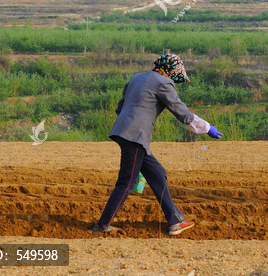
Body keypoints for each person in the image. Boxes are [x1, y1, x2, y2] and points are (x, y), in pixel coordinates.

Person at [94, 53, 222, 236]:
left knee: (157, 174)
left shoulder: (136, 78)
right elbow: (181, 111)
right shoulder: (163, 82)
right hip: (136, 135)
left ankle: (175, 221)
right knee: (127, 183)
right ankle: (102, 225)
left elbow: (119, 108)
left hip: (125, 132)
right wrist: (207, 127)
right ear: (171, 71)